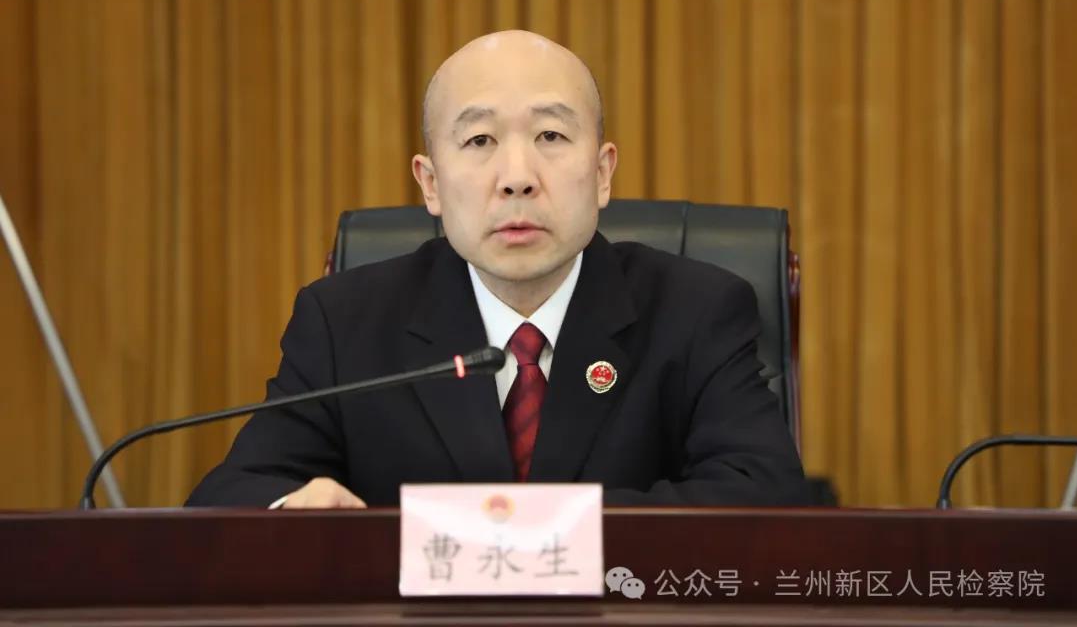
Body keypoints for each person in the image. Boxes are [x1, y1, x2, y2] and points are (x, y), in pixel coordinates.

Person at [186, 30, 808, 508]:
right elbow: (236, 492)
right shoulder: (344, 322)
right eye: (479, 141)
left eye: (551, 137)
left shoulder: (696, 313)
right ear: (430, 183)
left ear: (602, 174)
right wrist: (293, 510)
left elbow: (766, 494)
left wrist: (530, 540)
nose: (516, 178)